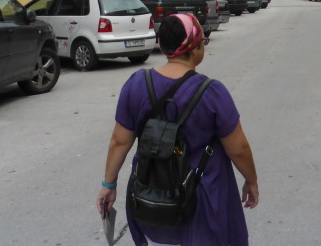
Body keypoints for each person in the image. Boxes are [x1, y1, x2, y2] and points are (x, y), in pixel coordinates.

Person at [97, 13, 259, 246]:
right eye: (203, 41)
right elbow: (239, 149)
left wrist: (108, 186)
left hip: (154, 193)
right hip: (204, 196)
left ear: (163, 46)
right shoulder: (212, 92)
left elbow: (119, 141)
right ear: (194, 49)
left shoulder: (136, 83)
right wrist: (251, 180)